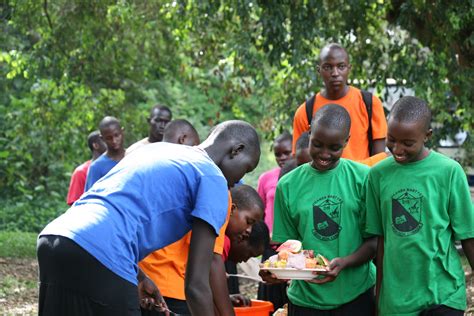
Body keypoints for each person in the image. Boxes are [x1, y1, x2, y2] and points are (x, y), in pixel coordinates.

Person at [37, 120, 261, 316]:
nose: (241, 178)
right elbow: (196, 285)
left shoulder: (156, 150)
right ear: (236, 150)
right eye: (247, 168)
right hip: (104, 253)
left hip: (56, 239)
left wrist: (139, 276)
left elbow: (113, 209)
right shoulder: (213, 179)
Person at [262, 104, 376, 316]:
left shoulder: (364, 179)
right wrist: (276, 272)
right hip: (306, 301)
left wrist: (344, 263)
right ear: (309, 133)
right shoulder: (288, 185)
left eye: (334, 148)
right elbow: (289, 248)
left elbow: (375, 242)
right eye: (317, 144)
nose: (324, 154)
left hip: (356, 296)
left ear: (347, 141)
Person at [365, 96, 474, 316]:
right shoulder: (377, 175)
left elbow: (468, 235)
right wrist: (380, 296)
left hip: (444, 294)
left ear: (427, 136)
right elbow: (381, 240)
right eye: (391, 139)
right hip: (397, 301)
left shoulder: (449, 172)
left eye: (407, 143)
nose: (397, 148)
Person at [140, 184, 264, 316]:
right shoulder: (219, 196)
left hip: (150, 279)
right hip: (170, 287)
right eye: (248, 222)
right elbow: (212, 265)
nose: (248, 231)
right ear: (231, 209)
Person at [292, 43, 388, 162]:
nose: (335, 73)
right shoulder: (305, 111)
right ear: (319, 70)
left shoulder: (370, 103)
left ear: (349, 68)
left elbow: (379, 158)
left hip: (361, 178)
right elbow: (302, 158)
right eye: (328, 67)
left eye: (341, 66)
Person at [257, 131, 292, 233]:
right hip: (270, 240)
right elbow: (260, 213)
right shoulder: (265, 178)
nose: (282, 158)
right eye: (278, 154)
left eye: (287, 153)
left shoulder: (303, 177)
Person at [84, 116, 125, 191]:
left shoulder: (133, 157)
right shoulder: (97, 167)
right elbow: (90, 197)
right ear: (102, 138)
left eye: (116, 135)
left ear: (122, 132)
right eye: (109, 138)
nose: (114, 141)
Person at [66, 131, 106, 205]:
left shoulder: (116, 166)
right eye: (105, 140)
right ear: (96, 145)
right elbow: (74, 203)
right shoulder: (81, 172)